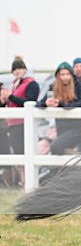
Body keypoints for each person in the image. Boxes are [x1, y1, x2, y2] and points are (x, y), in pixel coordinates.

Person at [0, 58, 40, 186]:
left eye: (19, 68)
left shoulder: (31, 84)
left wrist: (10, 97)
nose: (17, 71)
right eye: (14, 69)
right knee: (18, 155)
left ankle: (28, 183)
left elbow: (29, 102)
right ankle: (23, 182)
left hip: (23, 124)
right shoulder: (15, 84)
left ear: (25, 69)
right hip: (13, 124)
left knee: (25, 155)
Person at [38, 61, 81, 155]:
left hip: (77, 127)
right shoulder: (53, 87)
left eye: (67, 74)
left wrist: (63, 106)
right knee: (60, 153)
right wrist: (46, 103)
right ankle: (73, 157)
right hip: (61, 127)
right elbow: (39, 103)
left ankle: (73, 155)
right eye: (62, 74)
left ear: (71, 75)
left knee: (55, 147)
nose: (65, 77)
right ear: (58, 76)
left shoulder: (78, 85)